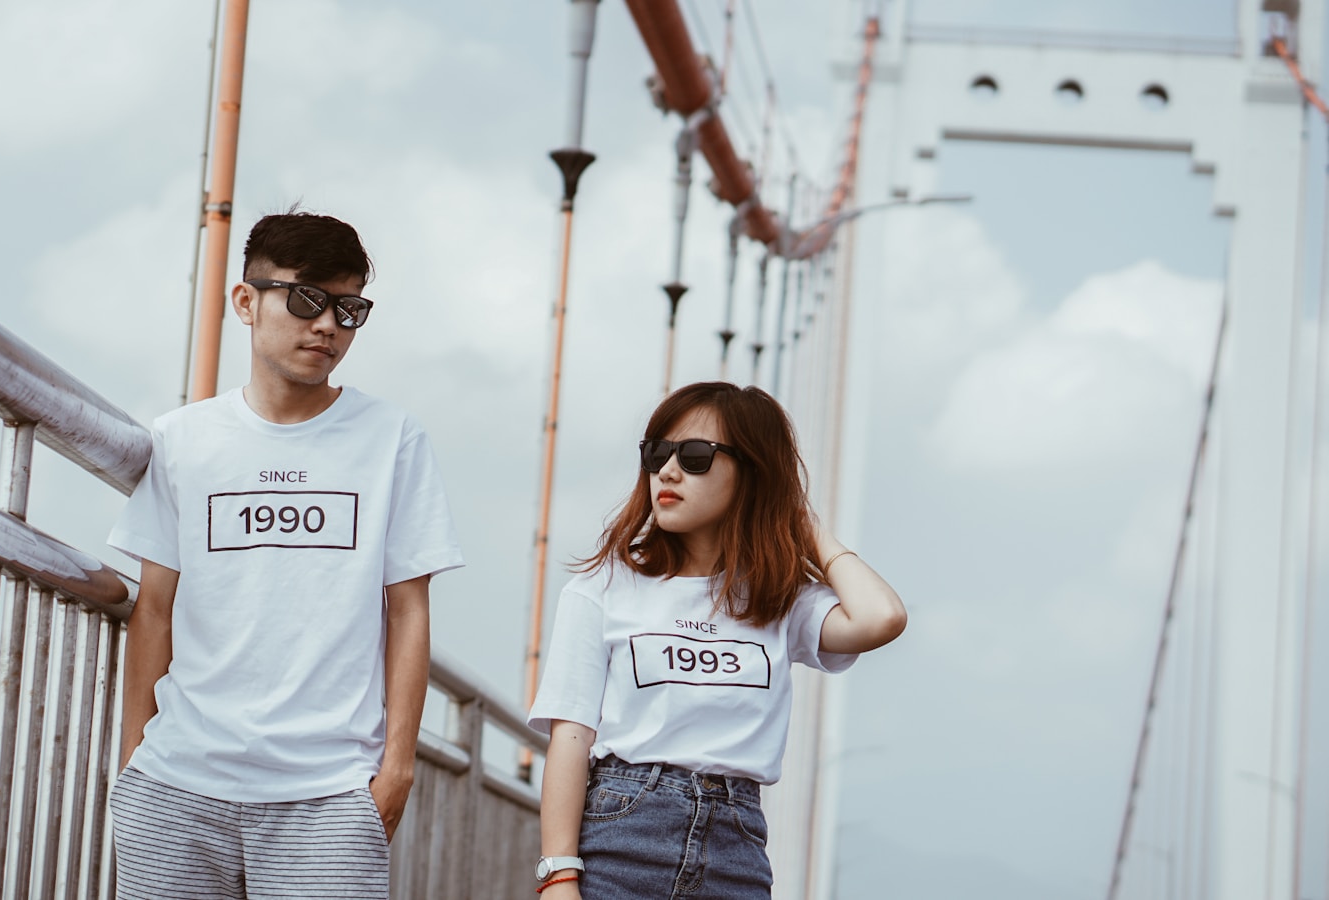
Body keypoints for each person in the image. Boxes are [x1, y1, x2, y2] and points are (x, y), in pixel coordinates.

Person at [106, 210, 464, 899]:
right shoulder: (183, 439)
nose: (328, 324)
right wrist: (133, 764)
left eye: (349, 308)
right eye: (306, 300)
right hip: (177, 784)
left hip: (329, 792)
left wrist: (397, 771)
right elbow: (154, 610)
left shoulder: (392, 439)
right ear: (246, 301)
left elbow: (409, 611)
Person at [528, 381, 907, 900]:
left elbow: (881, 618)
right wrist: (559, 876)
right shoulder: (602, 588)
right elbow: (570, 739)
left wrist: (798, 519)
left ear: (751, 474)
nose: (668, 470)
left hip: (737, 850)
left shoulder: (779, 598)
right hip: (620, 840)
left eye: (696, 456)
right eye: (658, 453)